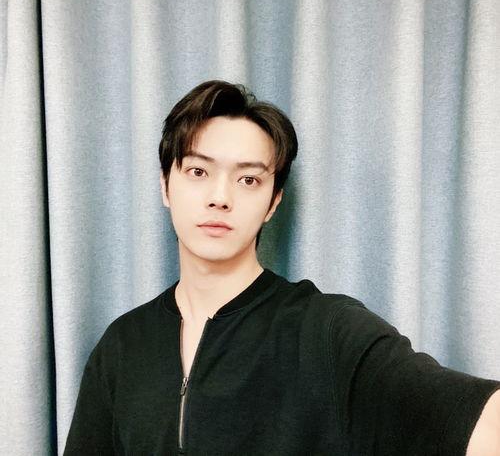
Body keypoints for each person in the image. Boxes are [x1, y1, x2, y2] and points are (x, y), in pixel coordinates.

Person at [64, 80, 500, 455]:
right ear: (165, 185)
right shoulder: (121, 346)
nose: (220, 197)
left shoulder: (328, 331)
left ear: (273, 203)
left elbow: (480, 421)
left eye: (248, 179)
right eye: (198, 171)